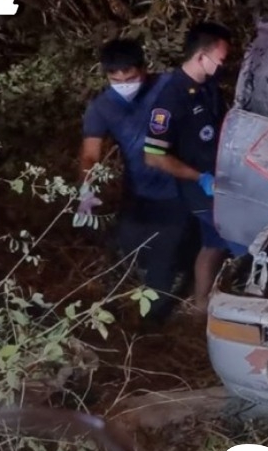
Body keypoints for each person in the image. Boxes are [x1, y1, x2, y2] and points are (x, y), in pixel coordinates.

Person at [75, 38, 195, 325]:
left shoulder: (169, 87)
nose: (124, 86)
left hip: (177, 189)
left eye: (130, 79)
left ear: (144, 68)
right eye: (116, 81)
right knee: (131, 246)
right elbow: (90, 154)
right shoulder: (102, 107)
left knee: (162, 259)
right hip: (137, 191)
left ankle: (152, 323)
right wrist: (86, 189)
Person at [143, 21, 245, 314]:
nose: (224, 64)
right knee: (242, 239)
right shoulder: (169, 98)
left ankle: (201, 305)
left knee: (213, 244)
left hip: (222, 178)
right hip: (199, 187)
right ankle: (238, 303)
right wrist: (200, 178)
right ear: (201, 56)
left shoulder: (207, 87)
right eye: (221, 59)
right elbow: (154, 156)